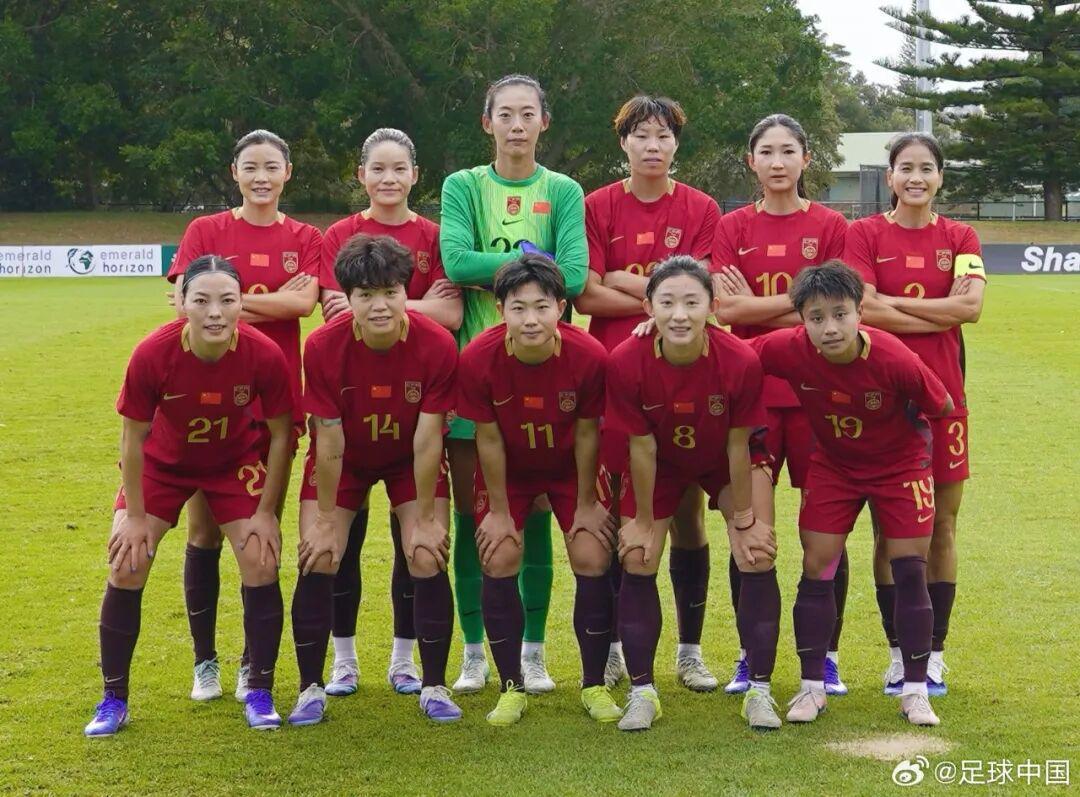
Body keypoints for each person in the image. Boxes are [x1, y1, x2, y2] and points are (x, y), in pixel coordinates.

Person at [84, 257, 294, 736]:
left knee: (261, 559)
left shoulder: (263, 354)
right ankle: (113, 699)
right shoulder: (153, 353)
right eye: (201, 300)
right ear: (181, 302)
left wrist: (266, 513)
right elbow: (132, 439)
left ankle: (259, 689)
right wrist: (136, 517)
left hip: (232, 463)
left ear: (242, 303)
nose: (215, 312)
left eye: (227, 300)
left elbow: (283, 434)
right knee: (127, 562)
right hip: (163, 465)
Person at [752, 261, 952, 727]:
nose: (830, 328)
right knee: (817, 566)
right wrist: (657, 326)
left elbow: (941, 403)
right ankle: (811, 688)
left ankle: (916, 691)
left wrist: (907, 437)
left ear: (861, 312)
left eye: (840, 314)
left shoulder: (895, 357)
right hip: (834, 467)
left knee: (910, 569)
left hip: (900, 467)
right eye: (816, 317)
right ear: (801, 321)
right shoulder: (786, 348)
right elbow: (729, 357)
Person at [440, 73, 588, 694]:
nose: (517, 124)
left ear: (544, 122)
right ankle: (475, 649)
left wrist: (503, 272)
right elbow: (455, 260)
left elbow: (574, 277)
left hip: (547, 381)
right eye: (505, 114)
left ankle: (533, 651)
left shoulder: (564, 189)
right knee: (472, 517)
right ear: (488, 123)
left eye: (528, 113)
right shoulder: (463, 185)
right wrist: (533, 268)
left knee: (537, 515)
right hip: (476, 375)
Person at [167, 130, 321, 703]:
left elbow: (302, 304)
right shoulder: (205, 231)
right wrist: (267, 300)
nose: (261, 177)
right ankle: (204, 661)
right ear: (234, 172)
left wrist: (220, 301)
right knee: (204, 530)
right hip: (207, 401)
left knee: (262, 531)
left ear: (288, 173)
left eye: (271, 167)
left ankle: (251, 663)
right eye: (250, 166)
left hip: (273, 406)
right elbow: (182, 306)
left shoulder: (304, 237)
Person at [574, 95, 722, 692]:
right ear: (624, 143)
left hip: (684, 374)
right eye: (641, 135)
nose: (652, 145)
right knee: (616, 512)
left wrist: (625, 281)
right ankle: (614, 647)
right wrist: (663, 299)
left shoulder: (702, 208)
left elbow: (700, 295)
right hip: (613, 371)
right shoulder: (596, 205)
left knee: (686, 511)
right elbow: (585, 292)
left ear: (676, 144)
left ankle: (690, 650)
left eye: (663, 135)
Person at [287, 233, 461, 725]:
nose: (380, 305)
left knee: (426, 553)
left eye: (390, 292)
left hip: (409, 460)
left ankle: (433, 684)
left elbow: (428, 440)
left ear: (407, 291)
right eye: (366, 295)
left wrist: (424, 518)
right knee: (320, 555)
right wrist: (325, 519)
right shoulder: (323, 345)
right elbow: (328, 440)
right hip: (345, 460)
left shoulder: (436, 343)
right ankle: (311, 687)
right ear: (348, 298)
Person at [318, 128, 462, 698]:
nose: (388, 178)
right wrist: (408, 305)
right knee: (341, 543)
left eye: (399, 168)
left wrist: (382, 306)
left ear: (415, 175)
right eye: (377, 168)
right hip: (352, 402)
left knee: (416, 544)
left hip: (414, 401)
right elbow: (333, 314)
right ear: (361, 176)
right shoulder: (339, 234)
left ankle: (405, 660)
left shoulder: (435, 234)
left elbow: (452, 314)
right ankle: (343, 660)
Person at [605, 257, 778, 732]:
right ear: (648, 308)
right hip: (660, 463)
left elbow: (738, 445)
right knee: (638, 555)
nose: (679, 314)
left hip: (722, 460)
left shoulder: (739, 360)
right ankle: (643, 692)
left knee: (757, 553)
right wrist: (642, 520)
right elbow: (641, 449)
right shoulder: (626, 360)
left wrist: (744, 518)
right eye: (667, 302)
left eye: (691, 303)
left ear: (713, 306)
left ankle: (760, 690)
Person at [710, 113, 850, 696]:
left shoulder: (832, 225)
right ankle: (751, 655)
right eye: (766, 151)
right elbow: (727, 311)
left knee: (825, 535)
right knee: (751, 532)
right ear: (751, 161)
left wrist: (761, 305)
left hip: (821, 397)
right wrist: (800, 304)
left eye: (788, 150)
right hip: (753, 399)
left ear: (805, 159)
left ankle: (827, 657)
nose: (777, 161)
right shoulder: (731, 226)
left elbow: (835, 311)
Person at [845, 132, 986, 697]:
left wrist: (894, 306)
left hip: (945, 399)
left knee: (943, 525)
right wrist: (937, 312)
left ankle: (936, 654)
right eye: (906, 168)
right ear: (890, 176)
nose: (916, 178)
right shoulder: (863, 234)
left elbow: (971, 308)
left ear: (940, 177)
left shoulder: (960, 236)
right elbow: (863, 309)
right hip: (881, 400)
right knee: (888, 530)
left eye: (927, 168)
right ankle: (898, 653)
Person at [457, 255, 616, 726]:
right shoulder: (478, 358)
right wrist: (499, 512)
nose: (531, 319)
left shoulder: (589, 355)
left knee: (592, 553)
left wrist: (586, 505)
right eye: (518, 307)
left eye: (542, 307)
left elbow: (588, 433)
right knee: (499, 554)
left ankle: (594, 684)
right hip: (510, 473)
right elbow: (487, 439)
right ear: (500, 309)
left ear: (561, 308)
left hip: (570, 470)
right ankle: (511, 687)